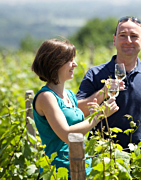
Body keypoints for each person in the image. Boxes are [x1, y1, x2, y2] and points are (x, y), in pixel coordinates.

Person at [76, 16, 141, 149]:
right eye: (122, 35)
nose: (128, 41)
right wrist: (102, 93)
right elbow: (77, 111)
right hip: (103, 158)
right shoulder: (95, 74)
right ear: (114, 40)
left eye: (134, 36)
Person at [31, 38, 119, 179]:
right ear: (55, 63)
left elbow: (78, 117)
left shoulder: (69, 95)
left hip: (80, 166)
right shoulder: (46, 97)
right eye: (70, 60)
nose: (75, 64)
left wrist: (102, 96)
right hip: (59, 171)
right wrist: (100, 116)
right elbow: (67, 135)